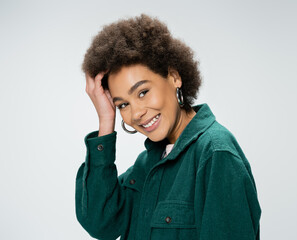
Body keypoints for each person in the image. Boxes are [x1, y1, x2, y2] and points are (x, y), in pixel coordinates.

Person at [75, 14, 261, 240]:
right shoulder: (148, 163)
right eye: (123, 104)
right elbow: (101, 223)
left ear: (174, 77)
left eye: (143, 92)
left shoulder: (215, 155)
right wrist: (106, 120)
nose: (136, 113)